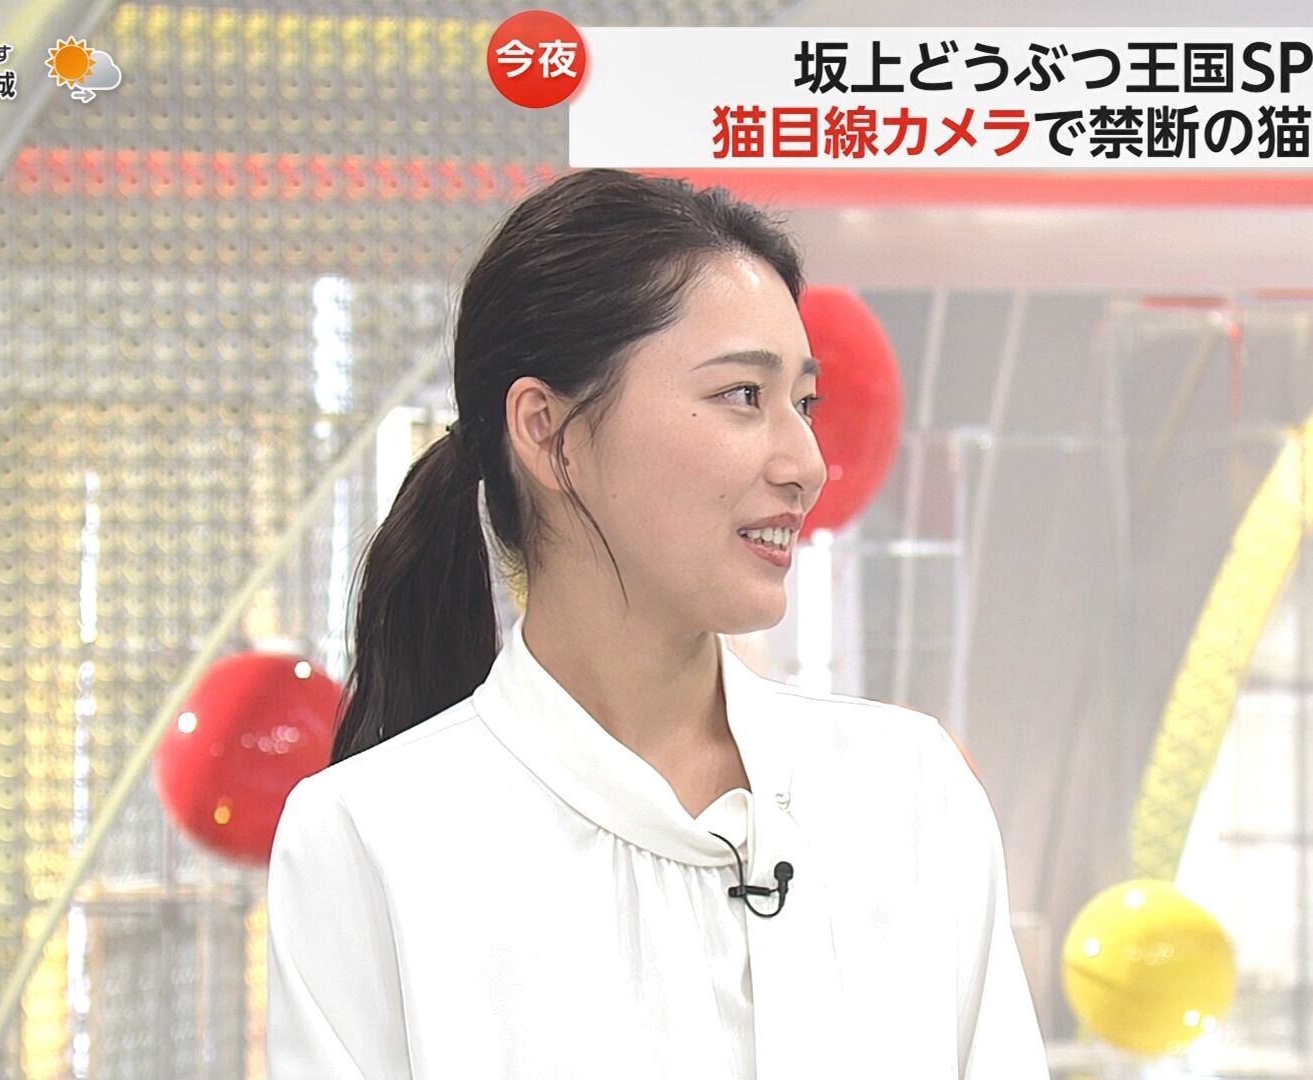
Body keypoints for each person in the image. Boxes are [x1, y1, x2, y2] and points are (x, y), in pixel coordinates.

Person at [265, 168, 1049, 1079]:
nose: (806, 463)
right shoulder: (367, 838)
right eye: (742, 395)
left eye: (804, 403)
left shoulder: (908, 793)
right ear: (548, 430)